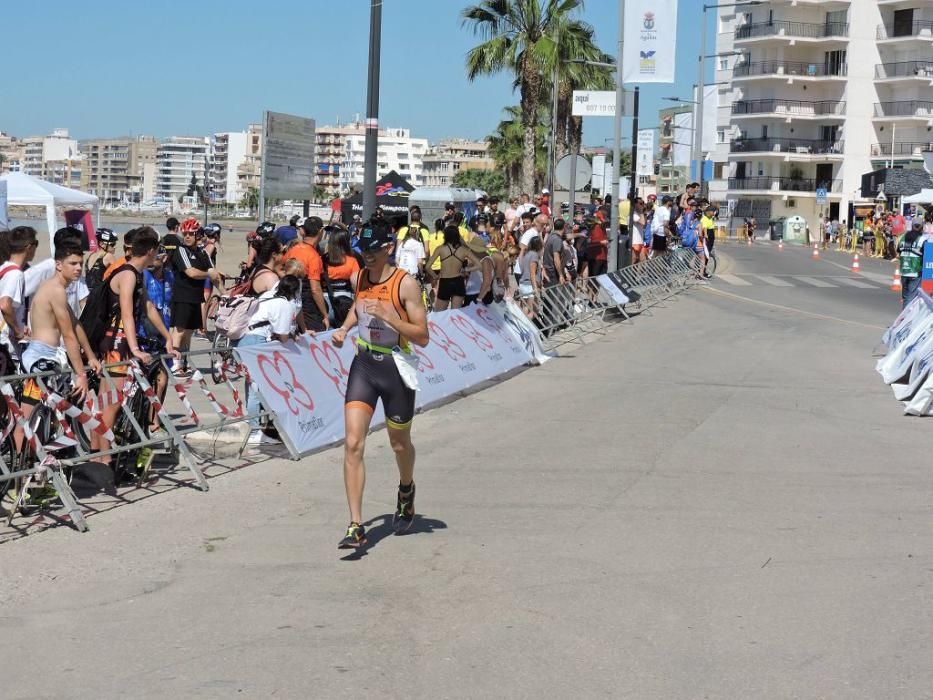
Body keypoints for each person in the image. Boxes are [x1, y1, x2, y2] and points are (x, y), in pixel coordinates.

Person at [330, 219, 430, 548]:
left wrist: (389, 316)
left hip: (396, 367)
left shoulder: (406, 285)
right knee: (353, 443)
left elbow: (423, 337)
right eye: (363, 252)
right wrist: (344, 329)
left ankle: (406, 489)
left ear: (390, 249)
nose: (368, 258)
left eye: (374, 252)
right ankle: (355, 525)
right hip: (364, 365)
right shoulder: (360, 276)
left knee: (399, 444)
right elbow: (358, 312)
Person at [95, 228, 178, 463]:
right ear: (150, 251)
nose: (158, 255)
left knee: (108, 401)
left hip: (121, 340)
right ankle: (103, 458)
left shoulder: (137, 274)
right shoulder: (129, 274)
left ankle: (99, 455)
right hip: (115, 341)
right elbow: (127, 314)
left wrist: (167, 336)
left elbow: (149, 308)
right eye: (157, 251)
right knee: (111, 403)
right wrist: (134, 348)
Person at [17, 242, 101, 451]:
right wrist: (80, 374)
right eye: (72, 263)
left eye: (81, 263)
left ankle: (38, 467)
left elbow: (76, 324)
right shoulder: (55, 290)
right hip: (39, 357)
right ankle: (19, 472)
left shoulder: (59, 289)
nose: (78, 268)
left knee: (49, 416)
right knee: (26, 420)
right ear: (58, 265)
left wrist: (90, 355)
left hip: (51, 356)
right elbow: (69, 335)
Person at [237, 274, 302, 446]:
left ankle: (257, 428)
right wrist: (293, 336)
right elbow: (283, 336)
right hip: (255, 342)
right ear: (294, 292)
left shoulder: (267, 296)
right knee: (256, 389)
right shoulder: (285, 304)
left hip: (243, 339)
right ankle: (255, 431)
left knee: (252, 386)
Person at [169, 220, 223, 374]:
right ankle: (174, 363)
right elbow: (191, 272)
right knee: (179, 331)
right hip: (182, 297)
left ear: (198, 235)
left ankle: (184, 362)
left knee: (189, 332)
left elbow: (215, 276)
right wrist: (208, 273)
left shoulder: (202, 252)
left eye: (191, 234)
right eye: (184, 233)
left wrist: (224, 292)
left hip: (195, 297)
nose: (187, 236)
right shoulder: (181, 251)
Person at [25, 227, 90, 317]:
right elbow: (18, 292)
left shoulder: (76, 270)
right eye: (76, 246)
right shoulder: (45, 268)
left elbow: (84, 302)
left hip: (69, 325)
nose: (79, 250)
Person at [0, 226, 38, 366]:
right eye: (36, 244)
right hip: (6, 345)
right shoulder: (15, 274)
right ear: (29, 247)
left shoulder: (4, 268)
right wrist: (18, 332)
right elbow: (5, 305)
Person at [284, 217, 329, 332]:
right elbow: (315, 289)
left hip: (289, 297)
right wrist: (325, 314)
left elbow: (280, 268)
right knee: (316, 334)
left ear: (303, 230)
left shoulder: (293, 249)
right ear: (320, 231)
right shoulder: (313, 256)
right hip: (307, 302)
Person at [424, 225, 480, 311]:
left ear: (445, 236)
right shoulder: (463, 250)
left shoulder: (440, 249)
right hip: (458, 282)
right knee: (456, 314)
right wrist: (466, 270)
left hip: (445, 282)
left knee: (440, 313)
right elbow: (479, 265)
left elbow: (428, 266)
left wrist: (435, 276)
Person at [322, 228, 360, 326]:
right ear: (346, 242)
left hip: (325, 304)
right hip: (345, 304)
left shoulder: (322, 260)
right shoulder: (352, 261)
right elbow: (357, 285)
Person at [896, 221, 930, 308]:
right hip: (915, 271)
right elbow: (926, 255)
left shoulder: (903, 238)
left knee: (906, 297)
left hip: (904, 271)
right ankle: (906, 319)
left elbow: (898, 251)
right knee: (911, 298)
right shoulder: (922, 239)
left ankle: (904, 317)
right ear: (922, 228)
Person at [84, 228, 118, 294]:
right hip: (99, 294)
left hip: (87, 292)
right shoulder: (108, 256)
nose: (115, 247)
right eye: (112, 244)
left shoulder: (91, 255)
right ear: (102, 244)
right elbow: (119, 273)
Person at [464, 236, 494, 305]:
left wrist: (479, 299)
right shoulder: (480, 259)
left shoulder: (485, 260)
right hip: (473, 293)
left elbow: (487, 282)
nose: (470, 250)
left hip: (476, 294)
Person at [543, 217, 568, 286]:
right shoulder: (557, 239)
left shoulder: (552, 236)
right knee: (554, 295)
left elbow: (567, 236)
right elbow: (556, 259)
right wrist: (560, 275)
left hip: (550, 271)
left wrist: (579, 234)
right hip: (553, 273)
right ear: (564, 227)